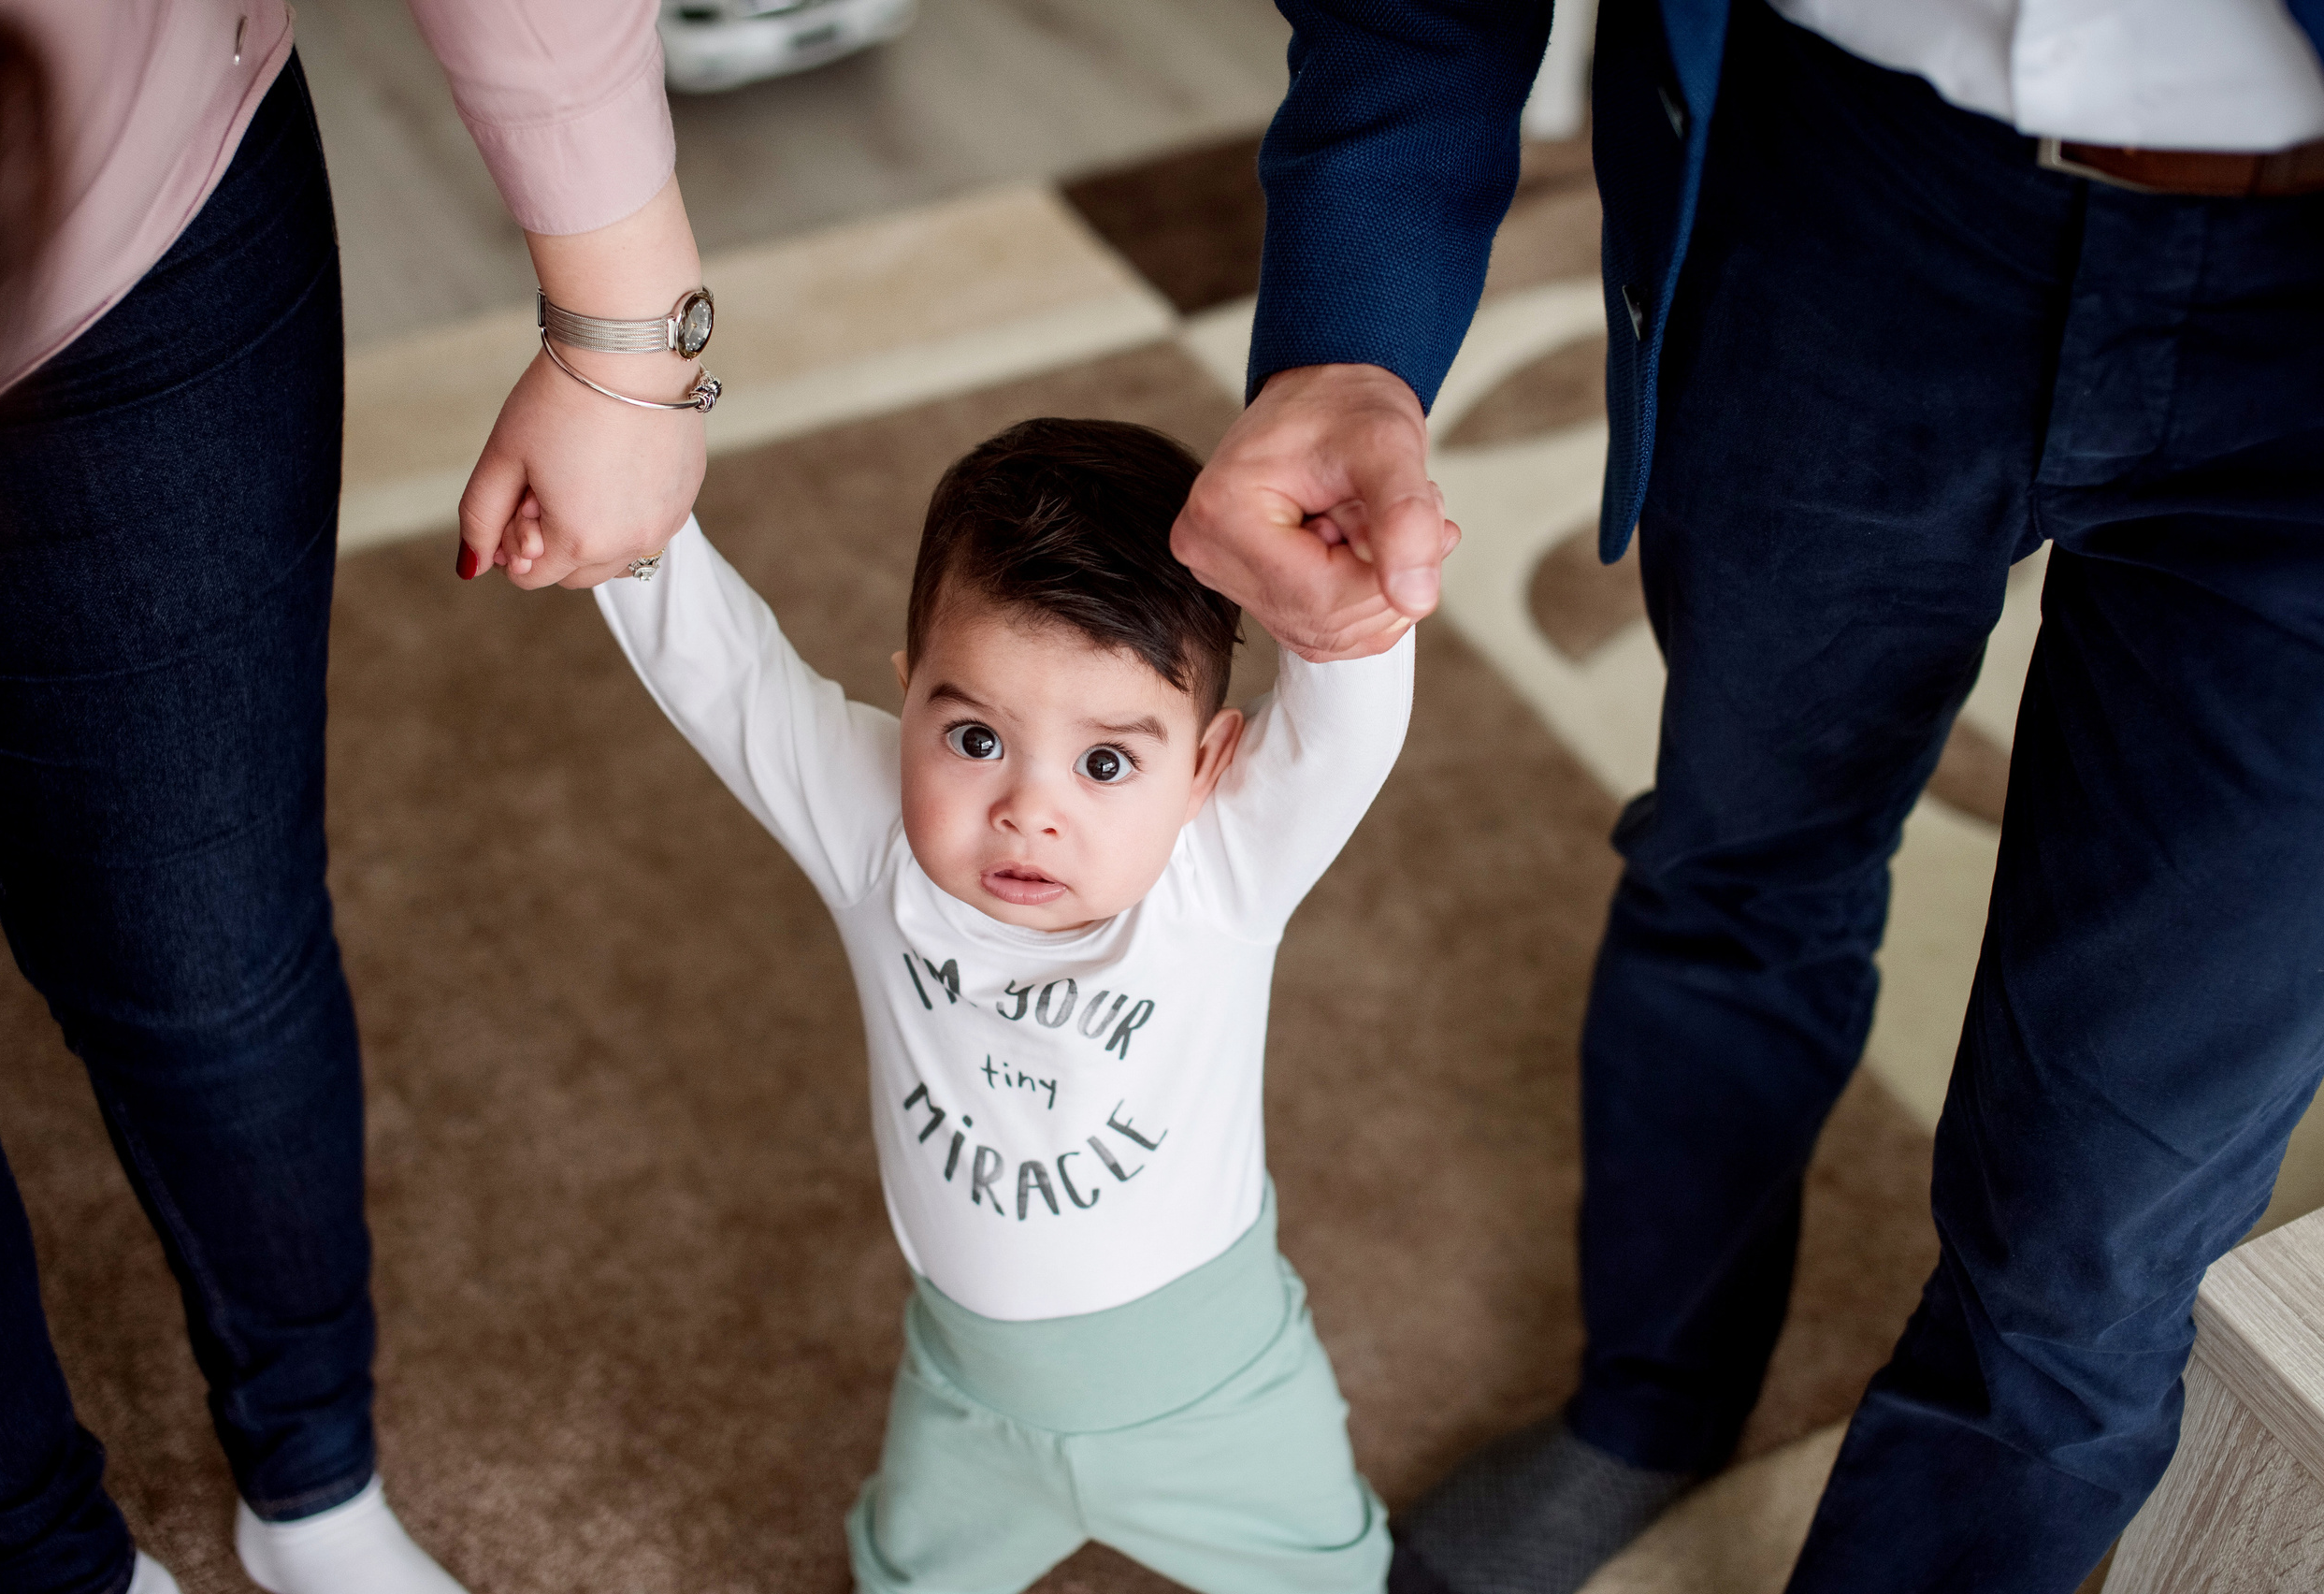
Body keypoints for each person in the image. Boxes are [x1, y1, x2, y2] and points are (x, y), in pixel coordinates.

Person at [1171, 1, 2324, 1590]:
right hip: (1850, 181)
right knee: (1739, 866)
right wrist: (1349, 326)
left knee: (2105, 1201)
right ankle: (1650, 1403)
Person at [0, 2, 705, 1589]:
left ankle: (317, 1483)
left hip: (119, 211)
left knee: (211, 956)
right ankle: (41, 1562)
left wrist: (629, 333)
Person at [593, 418, 1429, 1594]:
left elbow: (1346, 729)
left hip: (1222, 1407)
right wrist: (616, 494)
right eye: (976, 737)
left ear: (1206, 767)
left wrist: (1349, 570)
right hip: (965, 1408)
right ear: (909, 702)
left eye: (1104, 763)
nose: (1028, 812)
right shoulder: (876, 841)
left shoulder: (1220, 876)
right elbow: (723, 674)